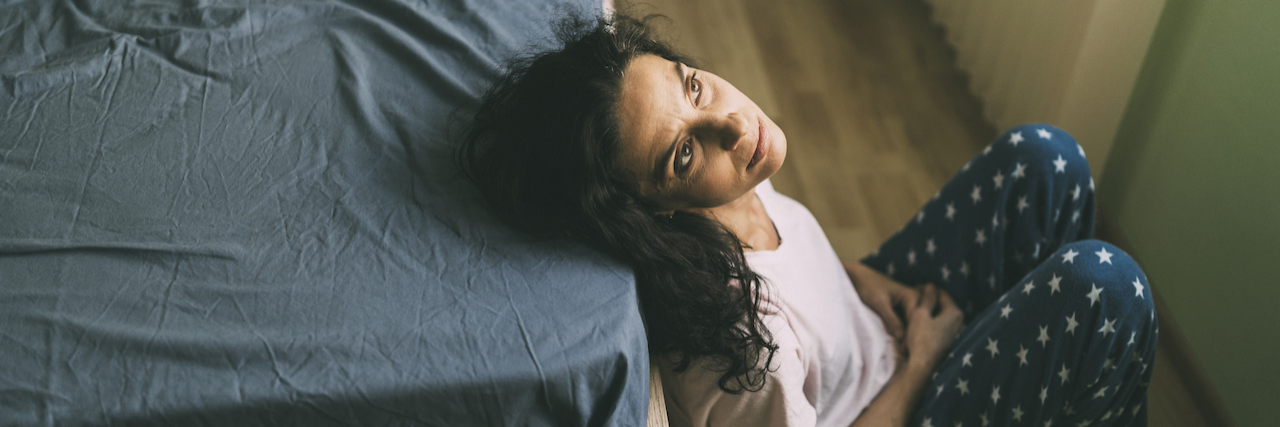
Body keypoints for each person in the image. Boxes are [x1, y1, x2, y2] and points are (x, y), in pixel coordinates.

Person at [458, 9, 1157, 427]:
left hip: (875, 329)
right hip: (895, 398)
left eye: (692, 84)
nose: (732, 125)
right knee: (1105, 291)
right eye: (682, 154)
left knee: (1046, 159)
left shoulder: (727, 189)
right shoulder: (736, 347)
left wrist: (856, 279)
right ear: (653, 210)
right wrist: (923, 361)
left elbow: (789, 269)